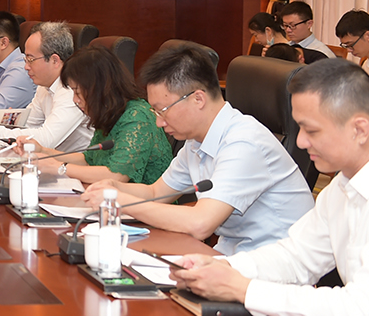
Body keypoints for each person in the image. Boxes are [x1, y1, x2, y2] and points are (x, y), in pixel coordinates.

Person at [171, 60, 369, 316]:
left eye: (311, 130)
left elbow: (367, 313)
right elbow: (297, 257)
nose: (302, 142)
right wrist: (225, 268)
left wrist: (242, 289)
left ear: (360, 130)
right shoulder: (340, 188)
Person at [80, 43, 314, 254]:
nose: (159, 122)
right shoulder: (196, 141)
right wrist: (114, 188)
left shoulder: (244, 143)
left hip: (276, 267)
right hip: (230, 257)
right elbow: (156, 193)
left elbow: (200, 223)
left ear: (198, 99)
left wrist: (120, 201)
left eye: (162, 110)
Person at [32, 46, 172, 185]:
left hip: (145, 198)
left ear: (97, 89)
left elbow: (117, 175)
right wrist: (44, 151)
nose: (75, 100)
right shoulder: (109, 112)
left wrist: (60, 168)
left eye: (77, 92)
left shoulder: (137, 117)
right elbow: (88, 160)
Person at [0, 22, 93, 152]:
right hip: (51, 160)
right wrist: (1, 122)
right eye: (25, 60)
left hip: (75, 162)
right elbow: (28, 123)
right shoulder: (45, 85)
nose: (26, 67)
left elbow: (46, 140)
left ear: (55, 60)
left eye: (31, 60)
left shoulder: (72, 90)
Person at [336, 10, 369, 77]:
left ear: (368, 36)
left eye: (351, 44)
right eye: (346, 46)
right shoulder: (366, 66)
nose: (348, 50)